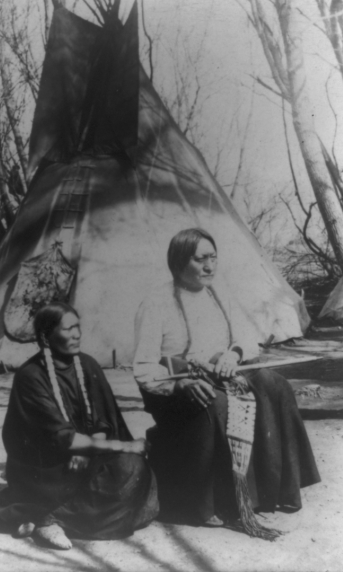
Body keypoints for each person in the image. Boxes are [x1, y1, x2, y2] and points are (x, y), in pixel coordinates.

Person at [133, 228, 320, 538]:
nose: (210, 266)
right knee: (218, 403)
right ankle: (219, 502)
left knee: (275, 385)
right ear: (180, 262)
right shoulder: (156, 302)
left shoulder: (219, 295)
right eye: (200, 259)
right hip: (179, 387)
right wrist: (179, 385)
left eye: (213, 258)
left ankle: (277, 488)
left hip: (221, 373)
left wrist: (232, 355)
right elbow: (144, 368)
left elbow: (247, 338)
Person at [0, 302, 158, 550]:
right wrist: (120, 445)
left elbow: (102, 420)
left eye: (78, 327)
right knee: (125, 463)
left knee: (133, 468)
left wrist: (87, 450)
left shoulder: (87, 365)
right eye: (68, 329)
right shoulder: (31, 376)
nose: (77, 334)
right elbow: (59, 437)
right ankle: (49, 518)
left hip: (86, 456)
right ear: (46, 337)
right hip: (48, 466)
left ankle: (53, 518)